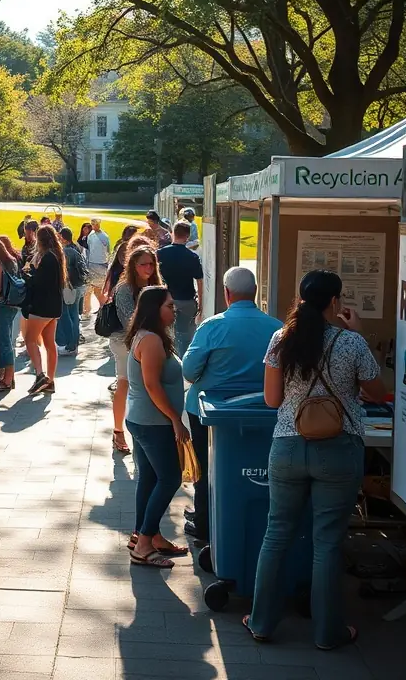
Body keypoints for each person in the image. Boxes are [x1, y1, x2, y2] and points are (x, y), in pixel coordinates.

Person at [246, 270, 384, 648]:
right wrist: (360, 332)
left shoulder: (280, 340)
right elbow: (378, 392)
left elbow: (272, 401)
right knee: (327, 542)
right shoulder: (351, 343)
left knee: (276, 535)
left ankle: (261, 622)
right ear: (335, 302)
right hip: (339, 449)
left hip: (288, 446)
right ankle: (327, 633)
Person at [180, 267, 282, 544]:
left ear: (226, 293)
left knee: (207, 470)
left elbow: (189, 371)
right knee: (255, 470)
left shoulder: (213, 327)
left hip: (213, 411)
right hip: (264, 410)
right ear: (255, 292)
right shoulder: (277, 328)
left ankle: (205, 524)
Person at [126, 286, 190, 568]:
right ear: (155, 309)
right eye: (169, 306)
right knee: (170, 478)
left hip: (144, 420)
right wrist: (176, 419)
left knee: (150, 479)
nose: (173, 310)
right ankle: (143, 544)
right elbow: (152, 385)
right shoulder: (150, 340)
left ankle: (147, 535)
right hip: (152, 422)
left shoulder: (150, 336)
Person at [110, 246, 163, 454]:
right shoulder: (124, 288)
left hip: (152, 340)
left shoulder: (156, 285)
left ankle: (146, 428)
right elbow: (129, 321)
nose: (148, 268)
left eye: (152, 263)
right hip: (125, 341)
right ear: (133, 265)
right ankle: (118, 431)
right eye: (143, 264)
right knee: (124, 382)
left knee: (148, 384)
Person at [22, 226, 66, 395]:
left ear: (40, 241)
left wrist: (28, 272)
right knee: (49, 343)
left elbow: (38, 282)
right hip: (54, 306)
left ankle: (40, 374)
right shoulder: (57, 255)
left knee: (30, 339)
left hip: (42, 306)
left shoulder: (47, 258)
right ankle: (51, 380)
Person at [156, 221, 204, 357]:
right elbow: (199, 281)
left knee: (167, 333)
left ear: (173, 233)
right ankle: (183, 361)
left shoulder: (160, 254)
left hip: (165, 300)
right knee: (186, 335)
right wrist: (201, 303)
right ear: (187, 237)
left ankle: (170, 358)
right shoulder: (192, 257)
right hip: (187, 300)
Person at [0, 236, 21, 392]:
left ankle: (6, 380)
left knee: (3, 342)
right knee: (7, 341)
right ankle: (9, 377)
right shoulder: (11, 261)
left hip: (0, 304)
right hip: (12, 304)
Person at [57, 227, 87, 357]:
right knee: (74, 315)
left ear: (63, 238)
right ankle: (74, 344)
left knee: (66, 315)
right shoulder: (76, 249)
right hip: (79, 286)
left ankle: (70, 345)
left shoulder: (65, 252)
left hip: (69, 287)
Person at [84, 218, 111, 315]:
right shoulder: (91, 235)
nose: (94, 226)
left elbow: (108, 250)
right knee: (89, 290)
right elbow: (89, 248)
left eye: (95, 224)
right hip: (91, 264)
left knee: (98, 290)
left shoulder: (104, 236)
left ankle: (102, 308)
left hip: (100, 265)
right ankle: (87, 310)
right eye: (93, 224)